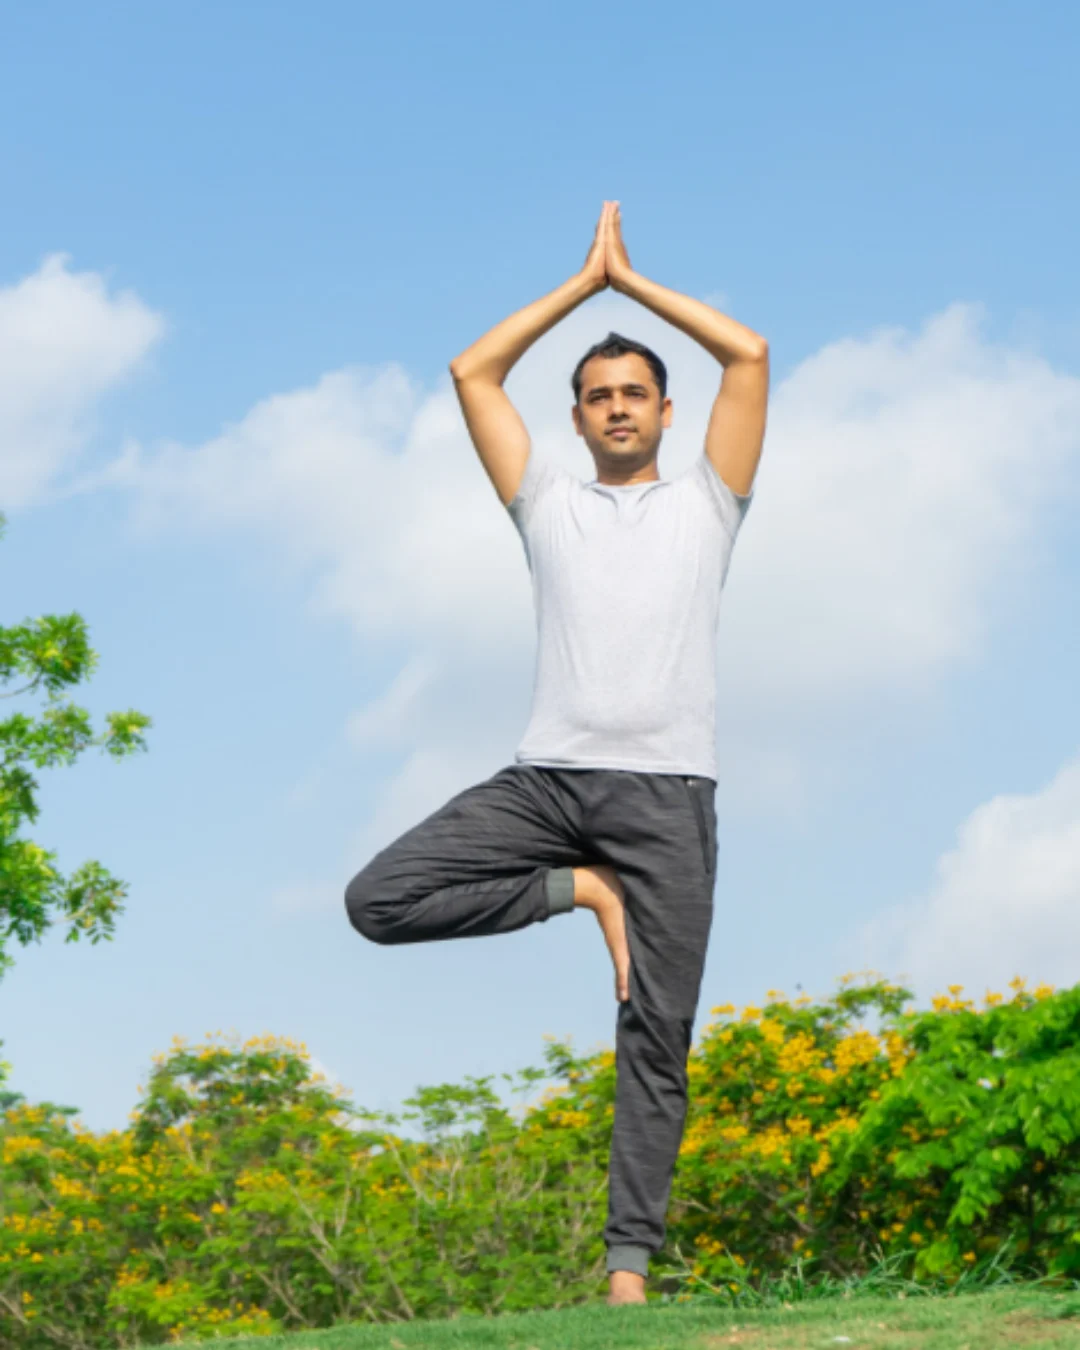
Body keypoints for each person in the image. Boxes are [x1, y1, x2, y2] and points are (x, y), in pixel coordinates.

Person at [345, 201, 769, 1307]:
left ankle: (628, 1272)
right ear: (575, 420)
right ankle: (581, 890)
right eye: (598, 396)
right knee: (377, 898)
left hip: (670, 795)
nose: (617, 407)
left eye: (635, 393)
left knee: (657, 1032)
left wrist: (638, 285)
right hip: (546, 783)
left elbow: (750, 352)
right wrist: (584, 289)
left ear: (667, 413)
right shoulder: (544, 503)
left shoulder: (710, 504)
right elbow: (471, 370)